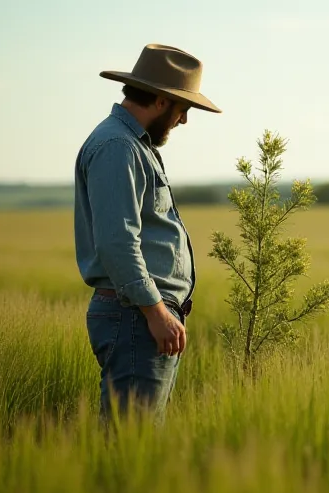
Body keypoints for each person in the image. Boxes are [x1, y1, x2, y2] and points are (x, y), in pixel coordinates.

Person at [72, 44, 221, 424]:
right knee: (130, 445)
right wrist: (155, 311)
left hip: (140, 317)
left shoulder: (133, 144)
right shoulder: (118, 147)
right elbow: (117, 242)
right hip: (136, 318)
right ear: (158, 100)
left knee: (138, 444)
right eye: (181, 108)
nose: (183, 120)